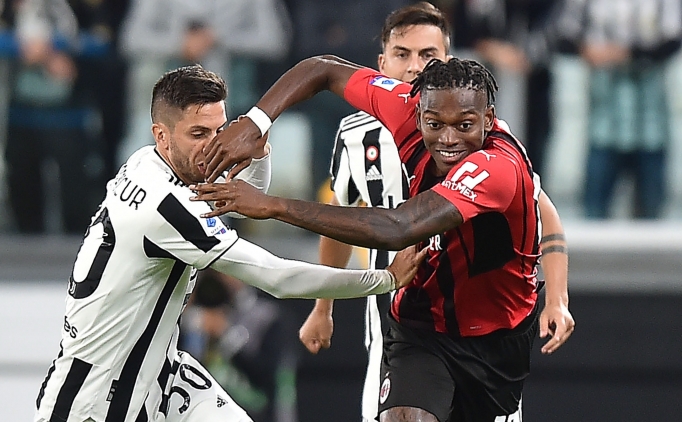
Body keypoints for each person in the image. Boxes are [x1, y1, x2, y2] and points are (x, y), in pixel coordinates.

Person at [33, 64, 426, 422]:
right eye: (198, 134)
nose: (211, 146)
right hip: (98, 399)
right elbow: (276, 277)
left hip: (161, 374)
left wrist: (259, 152)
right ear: (161, 135)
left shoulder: (151, 163)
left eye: (218, 132)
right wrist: (385, 278)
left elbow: (238, 200)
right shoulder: (165, 207)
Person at [192, 55, 575, 421]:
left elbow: (398, 228)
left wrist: (273, 205)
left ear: (488, 119)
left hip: (496, 341)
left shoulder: (499, 169)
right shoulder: (402, 107)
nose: (448, 139)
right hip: (420, 325)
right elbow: (323, 69)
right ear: (418, 112)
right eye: (434, 124)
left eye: (464, 126)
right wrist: (255, 122)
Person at [555, 0, 682, 219]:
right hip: (604, 119)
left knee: (652, 211)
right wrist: (589, 51)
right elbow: (564, 36)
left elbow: (672, 40)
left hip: (649, 121)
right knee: (594, 209)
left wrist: (625, 53)